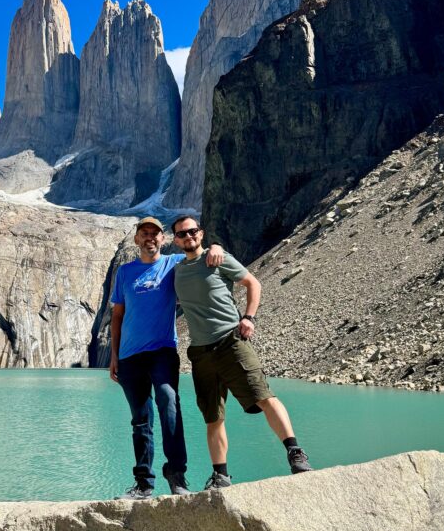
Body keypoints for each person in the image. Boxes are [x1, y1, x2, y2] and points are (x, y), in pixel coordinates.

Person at [171, 214, 313, 489]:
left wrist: (249, 318)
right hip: (200, 352)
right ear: (176, 241)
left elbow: (253, 283)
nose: (188, 237)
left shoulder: (217, 258)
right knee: (213, 416)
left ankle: (295, 452)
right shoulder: (176, 270)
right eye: (182, 234)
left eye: (192, 231)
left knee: (263, 395)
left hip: (230, 341)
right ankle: (221, 475)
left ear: (201, 234)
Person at [109, 216, 224, 500]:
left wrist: (216, 247)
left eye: (155, 234)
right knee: (140, 420)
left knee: (169, 403)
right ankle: (144, 484)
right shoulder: (125, 272)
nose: (150, 238)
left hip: (162, 351)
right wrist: (113, 356)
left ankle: (176, 475)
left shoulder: (174, 264)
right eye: (144, 233)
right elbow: (117, 316)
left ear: (163, 239)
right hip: (129, 356)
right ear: (137, 239)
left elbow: (197, 253)